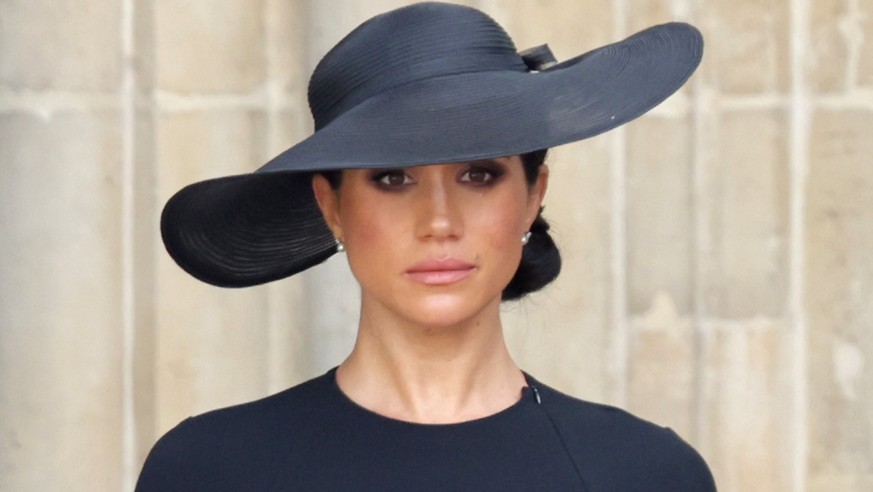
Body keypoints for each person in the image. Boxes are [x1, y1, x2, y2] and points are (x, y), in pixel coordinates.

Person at [138, 2, 715, 490]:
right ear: (331, 205)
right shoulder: (209, 470)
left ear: (533, 194)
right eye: (393, 178)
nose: (438, 222)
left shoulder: (645, 474)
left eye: (479, 174)